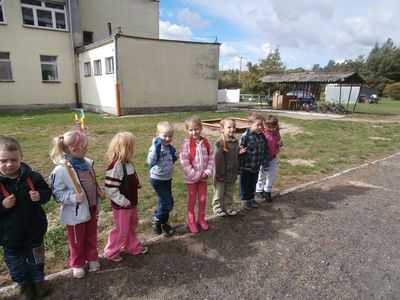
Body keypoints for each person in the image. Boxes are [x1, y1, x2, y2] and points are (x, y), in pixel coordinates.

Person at [0, 136, 51, 299]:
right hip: (10, 237)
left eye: (14, 159)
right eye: (3, 160)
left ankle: (38, 282)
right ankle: (25, 286)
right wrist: (3, 206)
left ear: (22, 157)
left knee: (37, 260)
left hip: (35, 233)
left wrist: (40, 196)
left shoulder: (33, 177)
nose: (9, 164)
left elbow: (47, 192)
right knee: (16, 265)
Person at [50, 131, 104, 279]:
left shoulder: (86, 163)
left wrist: (99, 190)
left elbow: (92, 180)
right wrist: (72, 198)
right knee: (76, 240)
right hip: (76, 213)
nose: (86, 150)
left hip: (91, 208)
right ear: (74, 149)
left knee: (91, 234)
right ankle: (77, 263)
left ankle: (92, 257)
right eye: (84, 147)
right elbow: (56, 194)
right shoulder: (60, 170)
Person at [103, 132, 148, 262]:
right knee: (121, 230)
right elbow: (110, 188)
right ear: (125, 149)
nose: (133, 150)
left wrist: (137, 184)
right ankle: (111, 252)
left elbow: (131, 177)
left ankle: (132, 247)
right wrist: (122, 201)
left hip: (132, 203)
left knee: (132, 225)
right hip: (122, 207)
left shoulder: (129, 163)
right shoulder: (115, 167)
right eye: (131, 147)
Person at [180, 116, 214, 234]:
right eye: (191, 130)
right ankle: (191, 221)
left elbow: (211, 158)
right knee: (192, 199)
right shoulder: (186, 144)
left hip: (203, 178)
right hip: (191, 179)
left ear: (201, 128)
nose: (194, 132)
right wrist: (194, 175)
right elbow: (184, 162)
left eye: (196, 129)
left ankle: (201, 219)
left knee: (203, 199)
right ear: (187, 131)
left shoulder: (206, 142)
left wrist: (207, 172)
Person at [147, 121, 177, 237]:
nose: (168, 138)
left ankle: (164, 223)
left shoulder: (170, 148)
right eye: (165, 136)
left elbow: (170, 161)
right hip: (157, 179)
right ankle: (156, 218)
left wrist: (175, 157)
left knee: (162, 202)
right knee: (169, 203)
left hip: (167, 179)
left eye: (170, 136)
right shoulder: (156, 147)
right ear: (158, 135)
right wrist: (155, 147)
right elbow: (150, 161)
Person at [212, 117, 244, 217]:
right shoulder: (220, 143)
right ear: (222, 129)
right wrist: (220, 174)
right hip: (221, 173)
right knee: (219, 191)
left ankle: (227, 207)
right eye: (229, 127)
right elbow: (218, 160)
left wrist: (239, 152)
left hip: (232, 172)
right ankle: (217, 208)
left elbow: (233, 155)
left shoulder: (235, 141)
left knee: (230, 191)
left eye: (234, 127)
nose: (232, 129)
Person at [239, 112, 269, 211]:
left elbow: (265, 150)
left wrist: (265, 164)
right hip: (246, 167)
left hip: (256, 166)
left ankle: (251, 198)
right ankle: (245, 199)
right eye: (258, 125)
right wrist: (239, 167)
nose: (260, 127)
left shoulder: (262, 136)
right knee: (245, 184)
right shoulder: (245, 136)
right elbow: (240, 152)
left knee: (253, 183)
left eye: (262, 125)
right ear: (250, 124)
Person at [255, 115, 283, 202]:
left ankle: (267, 191)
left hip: (273, 157)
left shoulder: (276, 133)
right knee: (261, 174)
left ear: (276, 126)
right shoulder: (262, 133)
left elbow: (279, 142)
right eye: (268, 127)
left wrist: (280, 144)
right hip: (263, 158)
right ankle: (259, 190)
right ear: (264, 125)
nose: (271, 129)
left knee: (272, 175)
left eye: (273, 127)